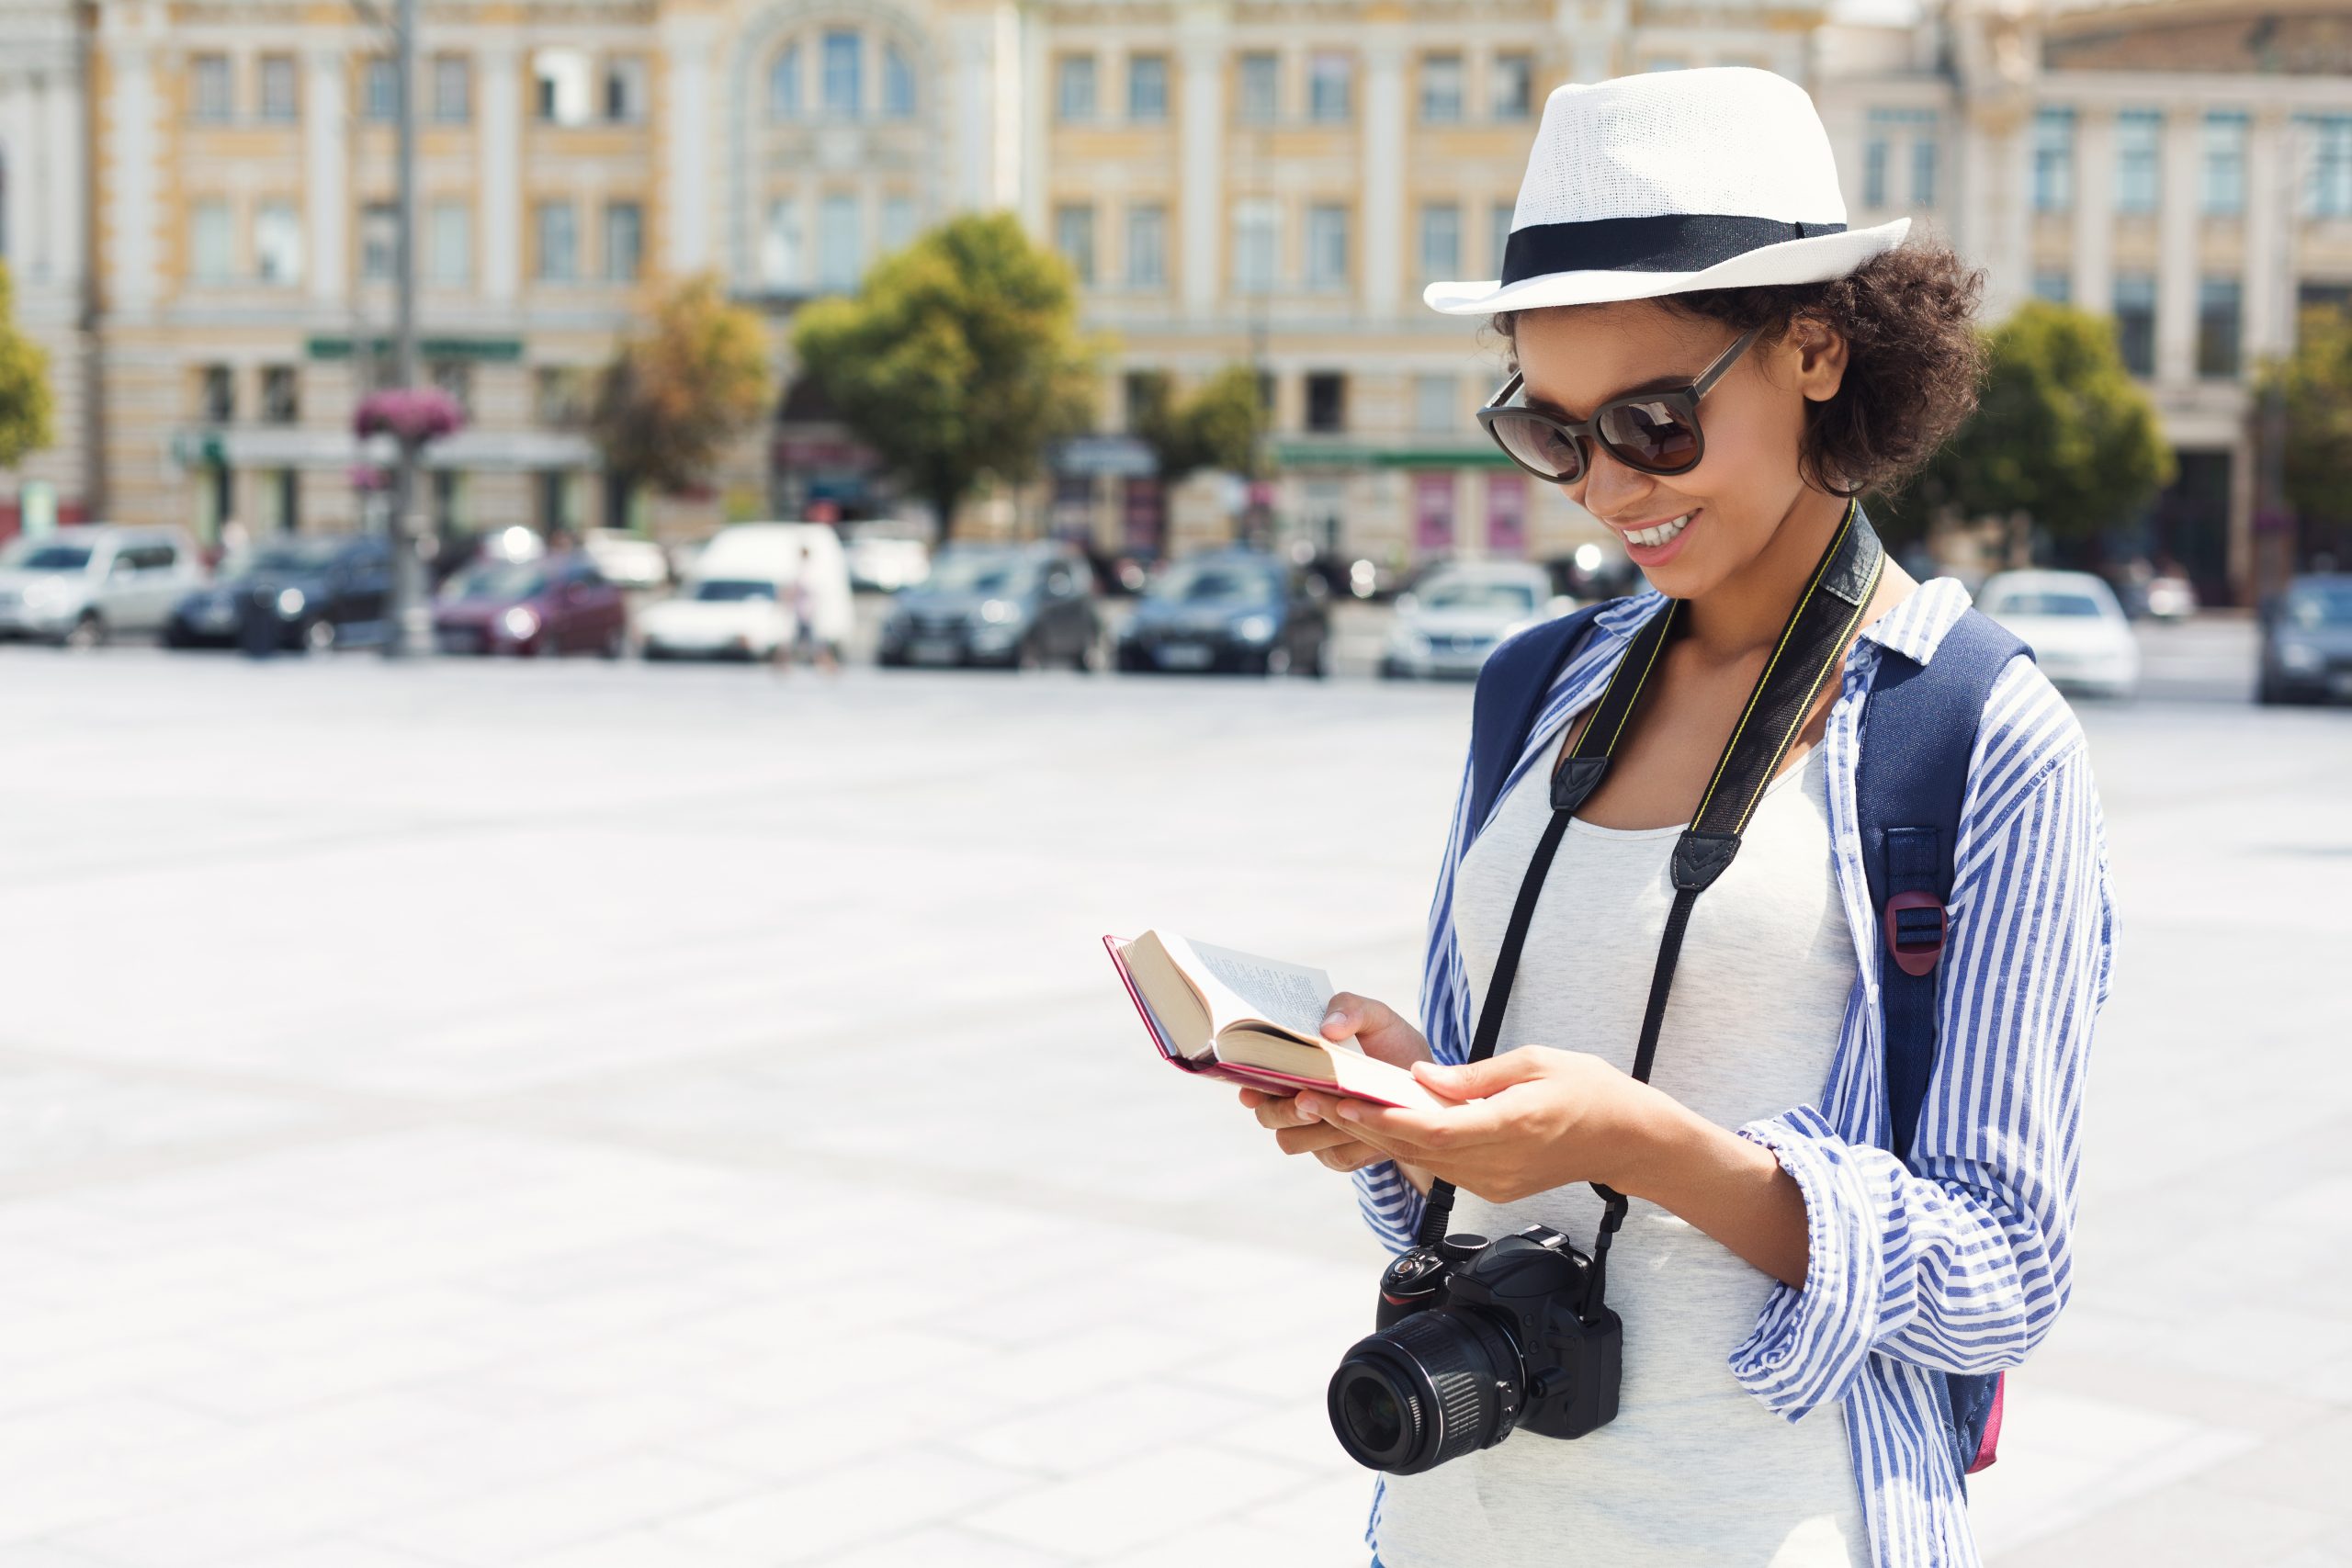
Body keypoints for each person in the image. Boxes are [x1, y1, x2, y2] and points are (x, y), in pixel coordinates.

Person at [1238, 69, 2114, 1568]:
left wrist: (1648, 1147)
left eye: (1652, 420)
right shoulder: (1531, 687)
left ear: (1818, 350)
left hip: (1769, 1526)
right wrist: (1401, 1109)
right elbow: (1470, 1192)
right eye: (1553, 433)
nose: (1604, 490)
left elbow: (2002, 1274)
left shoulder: (1974, 733)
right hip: (1456, 1519)